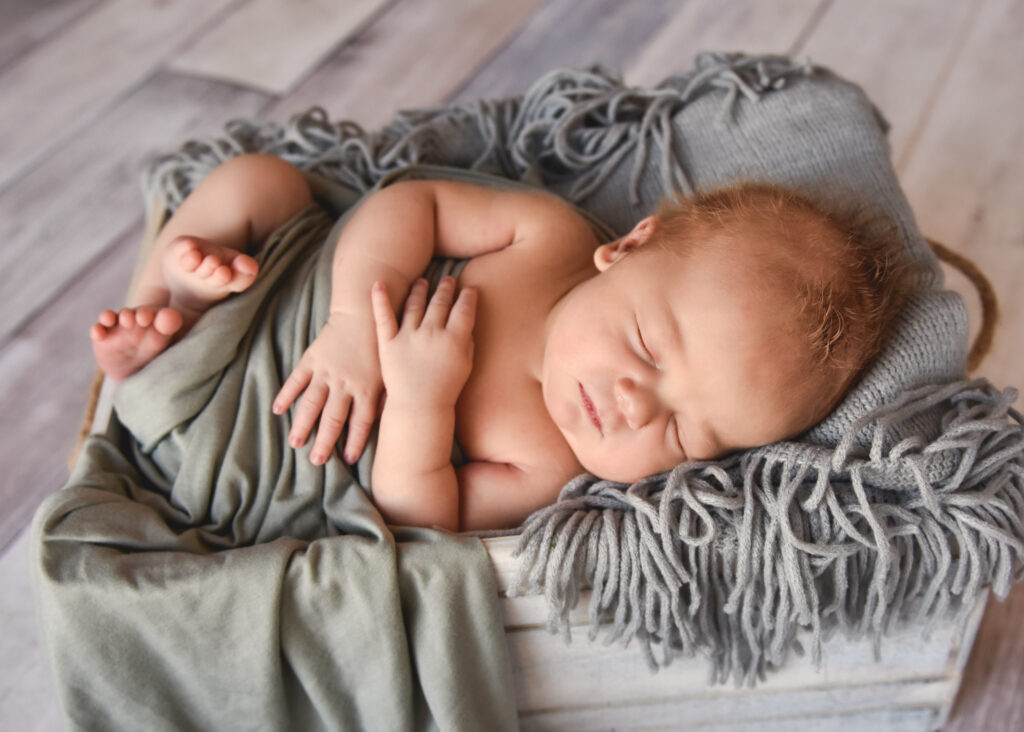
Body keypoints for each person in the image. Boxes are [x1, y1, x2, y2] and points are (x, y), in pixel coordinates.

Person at [90, 153, 915, 532]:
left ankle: (160, 357)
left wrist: (422, 399)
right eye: (649, 349)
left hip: (254, 428)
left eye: (684, 434)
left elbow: (416, 515)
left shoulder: (549, 464)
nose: (634, 406)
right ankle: (181, 303)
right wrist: (348, 325)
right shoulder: (543, 237)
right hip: (303, 291)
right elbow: (406, 208)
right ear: (625, 248)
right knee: (259, 181)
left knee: (184, 436)